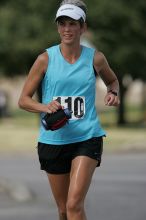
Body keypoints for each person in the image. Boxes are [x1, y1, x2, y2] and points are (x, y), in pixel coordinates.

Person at [18, 0, 120, 219]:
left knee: (74, 205)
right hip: (53, 140)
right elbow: (23, 100)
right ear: (57, 27)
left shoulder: (96, 58)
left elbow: (112, 81)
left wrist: (114, 93)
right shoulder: (44, 59)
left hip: (87, 137)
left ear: (83, 27)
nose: (67, 29)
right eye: (62, 23)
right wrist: (44, 106)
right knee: (64, 210)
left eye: (73, 23)